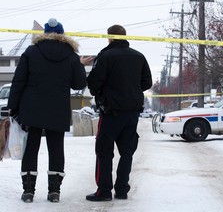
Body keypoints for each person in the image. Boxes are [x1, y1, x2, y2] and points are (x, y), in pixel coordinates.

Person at [7, 18, 93, 203]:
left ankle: (28, 191)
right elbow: (78, 84)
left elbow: (18, 81)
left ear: (44, 34)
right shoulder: (71, 55)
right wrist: (79, 65)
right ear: (62, 34)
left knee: (31, 148)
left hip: (32, 109)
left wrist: (12, 106)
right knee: (56, 149)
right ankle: (54, 192)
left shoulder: (31, 52)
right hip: (58, 109)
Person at [86, 24, 152, 201]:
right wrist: (131, 89)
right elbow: (147, 83)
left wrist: (106, 92)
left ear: (110, 37)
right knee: (127, 152)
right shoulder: (139, 57)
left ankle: (104, 191)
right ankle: (122, 190)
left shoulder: (105, 56)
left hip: (110, 112)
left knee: (104, 151)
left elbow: (93, 85)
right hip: (131, 113)